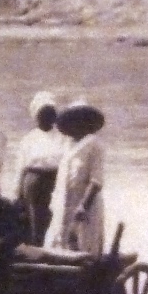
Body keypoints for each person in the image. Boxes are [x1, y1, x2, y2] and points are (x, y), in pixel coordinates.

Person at [45, 100, 106, 254]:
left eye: (80, 120)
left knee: (84, 244)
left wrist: (83, 206)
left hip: (85, 206)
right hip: (64, 204)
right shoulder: (67, 145)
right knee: (59, 243)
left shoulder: (94, 145)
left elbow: (96, 181)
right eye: (72, 120)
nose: (76, 124)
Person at [13, 91, 64, 245]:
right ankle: (36, 249)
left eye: (50, 113)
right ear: (36, 116)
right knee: (34, 220)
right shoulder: (29, 138)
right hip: (33, 182)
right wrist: (18, 193)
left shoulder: (63, 137)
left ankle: (56, 247)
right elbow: (20, 167)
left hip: (55, 180)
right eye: (42, 114)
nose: (46, 117)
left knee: (54, 217)